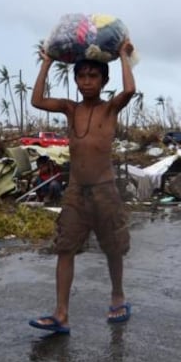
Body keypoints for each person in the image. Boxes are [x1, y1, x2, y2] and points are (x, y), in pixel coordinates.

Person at [28, 40, 137, 334]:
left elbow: (129, 90)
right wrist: (47, 62)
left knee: (113, 248)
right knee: (65, 248)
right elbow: (37, 100)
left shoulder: (110, 108)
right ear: (75, 80)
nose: (87, 82)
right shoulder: (69, 108)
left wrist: (124, 56)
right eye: (82, 76)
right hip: (76, 192)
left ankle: (118, 296)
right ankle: (60, 314)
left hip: (105, 191)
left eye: (93, 76)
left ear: (103, 80)